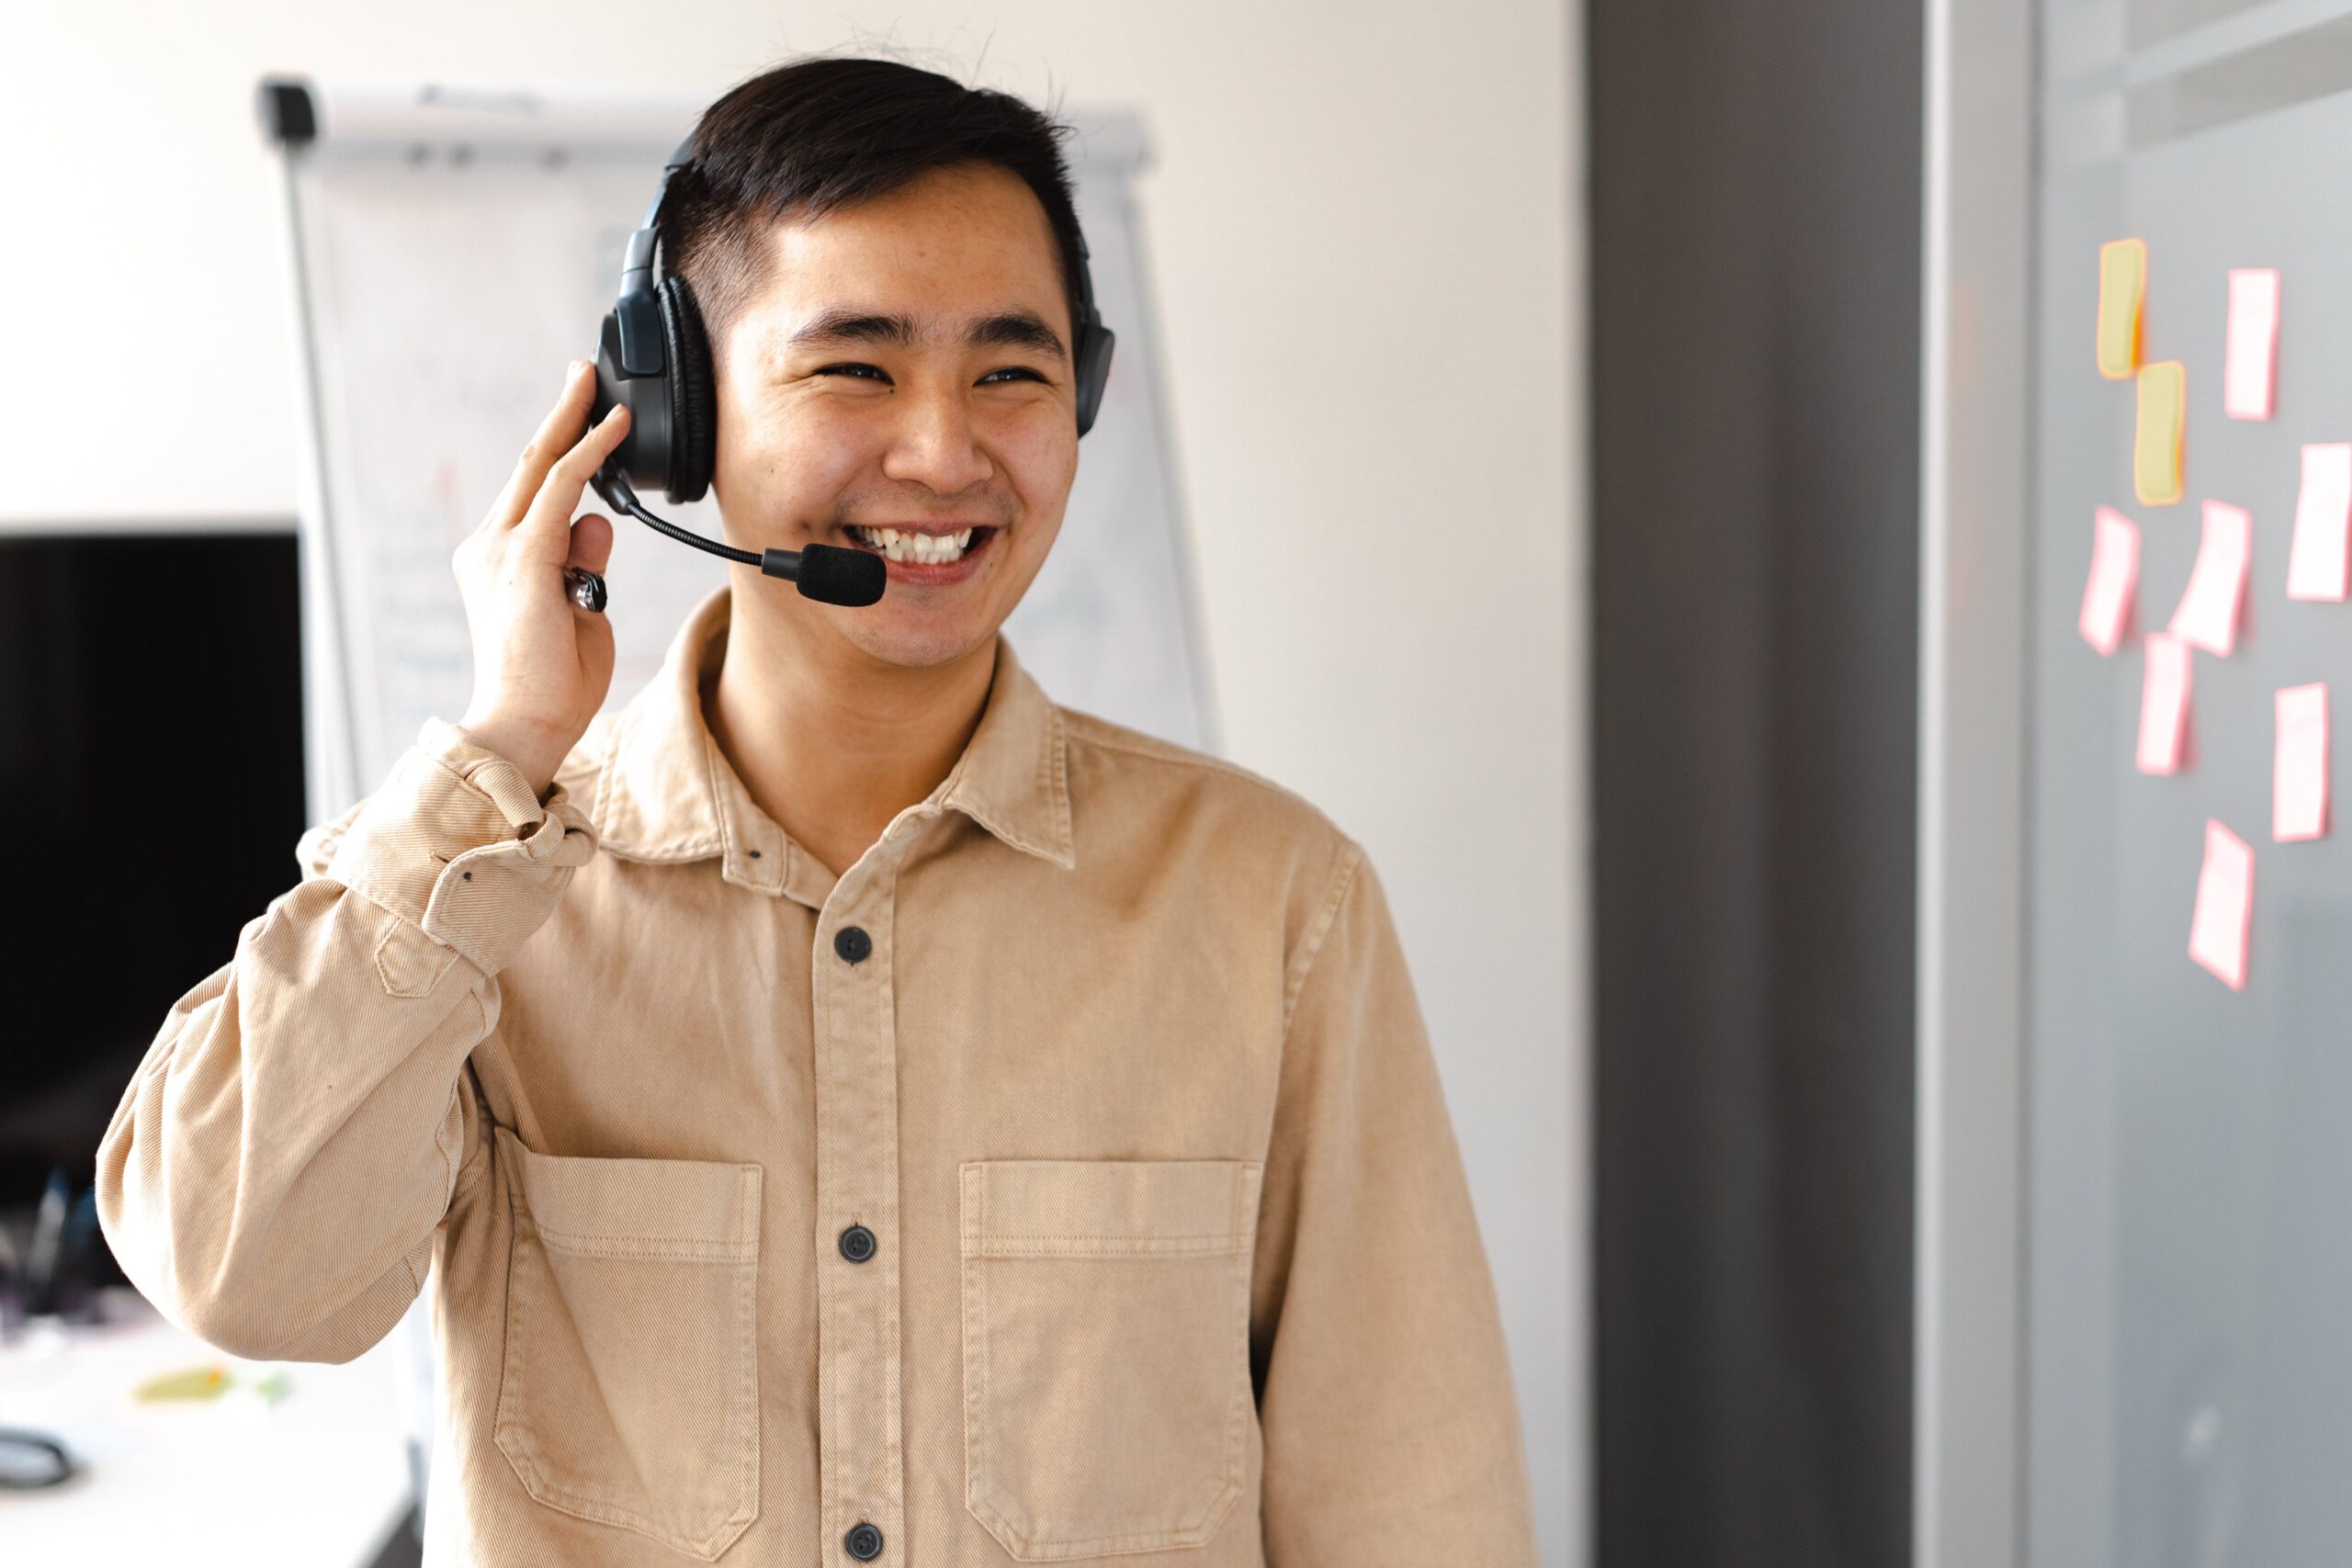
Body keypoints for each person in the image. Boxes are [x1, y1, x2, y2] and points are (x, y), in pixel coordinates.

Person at [95, 53, 1541, 1566]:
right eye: (856, 366)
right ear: (676, 418)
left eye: (1011, 371)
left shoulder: (1271, 901)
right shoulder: (488, 902)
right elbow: (234, 1274)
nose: (941, 451)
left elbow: (1410, 1504)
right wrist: (504, 743)